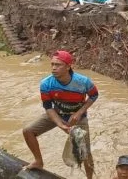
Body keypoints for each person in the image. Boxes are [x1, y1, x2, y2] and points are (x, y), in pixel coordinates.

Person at [22, 50, 98, 179]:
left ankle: (89, 178)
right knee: (28, 130)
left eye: (58, 65)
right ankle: (38, 161)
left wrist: (80, 112)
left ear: (68, 67)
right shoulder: (46, 83)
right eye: (52, 64)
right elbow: (47, 107)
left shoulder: (83, 81)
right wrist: (58, 123)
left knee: (85, 152)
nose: (53, 68)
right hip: (56, 114)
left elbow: (94, 95)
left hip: (77, 118)